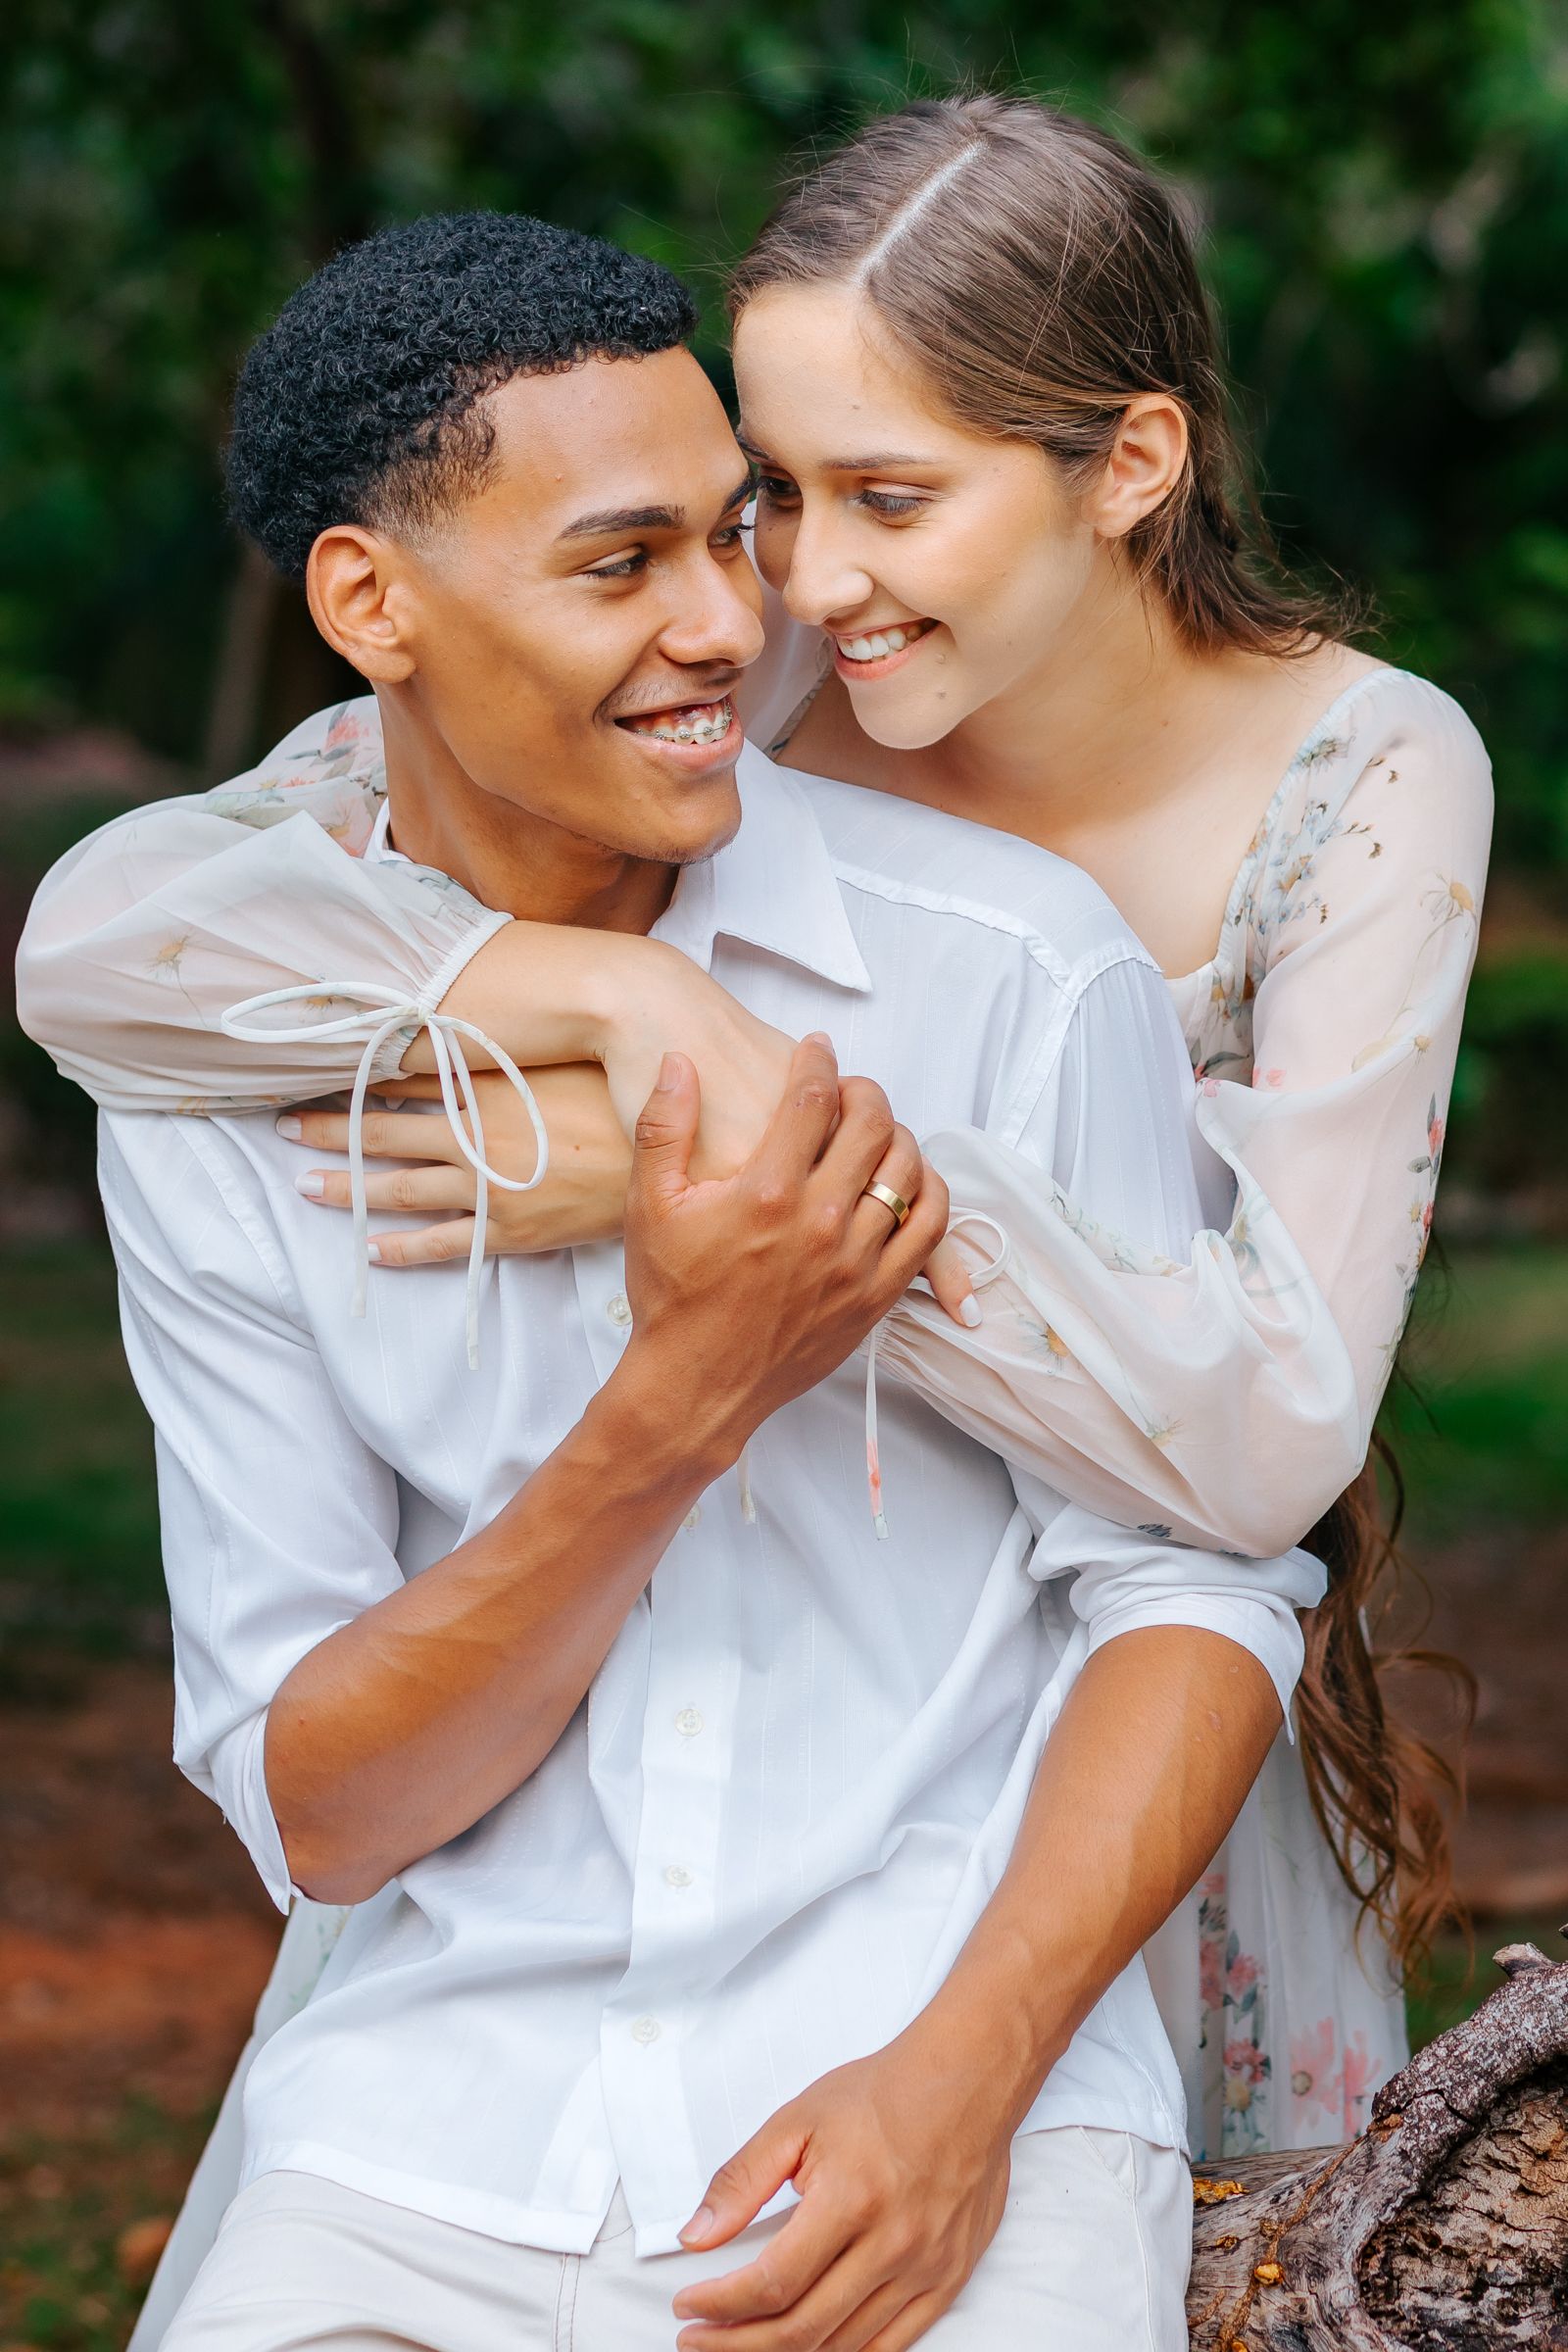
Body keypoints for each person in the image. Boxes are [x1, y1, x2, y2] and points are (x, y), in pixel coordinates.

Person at [24, 210, 1325, 2351]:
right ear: (374, 604)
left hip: (928, 2084)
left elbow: (1185, 1590)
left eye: (738, 533)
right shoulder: (223, 1072)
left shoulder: (1004, 966)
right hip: (423, 2136)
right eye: (621, 563)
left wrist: (969, 2078)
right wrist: (685, 1392)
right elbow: (325, 1808)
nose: (733, 620)